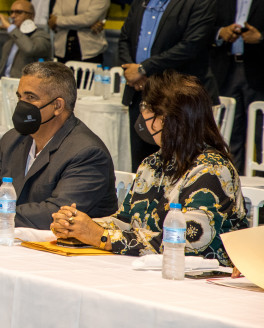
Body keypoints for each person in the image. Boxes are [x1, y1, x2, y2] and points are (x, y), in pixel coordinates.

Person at [50, 71, 248, 267]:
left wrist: (101, 236)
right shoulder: (152, 163)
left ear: (170, 120)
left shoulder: (212, 170)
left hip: (202, 277)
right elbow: (126, 220)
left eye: (148, 108)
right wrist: (77, 225)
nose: (143, 115)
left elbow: (187, 243)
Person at [0, 62, 117, 230]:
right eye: (20, 97)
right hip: (19, 240)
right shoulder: (14, 139)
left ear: (57, 106)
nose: (21, 105)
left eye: (30, 97)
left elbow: (55, 213)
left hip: (72, 253)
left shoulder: (87, 153)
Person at [119, 0, 219, 171]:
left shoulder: (201, 0)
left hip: (175, 98)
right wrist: (131, 71)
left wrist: (143, 69)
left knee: (178, 165)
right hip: (140, 92)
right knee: (141, 166)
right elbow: (124, 38)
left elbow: (190, 46)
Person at [209, 0, 264, 173]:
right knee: (228, 131)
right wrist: (221, 33)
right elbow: (206, 25)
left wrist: (261, 38)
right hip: (226, 66)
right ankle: (231, 179)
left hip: (258, 70)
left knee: (260, 135)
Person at [0, 0, 51, 78]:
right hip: (4, 81)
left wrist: (10, 27)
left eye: (18, 12)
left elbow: (30, 49)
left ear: (31, 16)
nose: (13, 16)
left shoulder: (42, 35)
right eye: (11, 12)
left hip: (25, 83)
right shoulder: (12, 36)